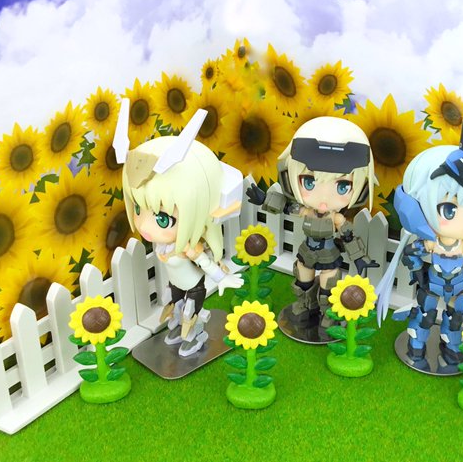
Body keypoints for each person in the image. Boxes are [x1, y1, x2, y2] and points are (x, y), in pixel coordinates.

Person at [376, 113, 463, 374]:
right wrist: (420, 259)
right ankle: (416, 346)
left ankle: (451, 349)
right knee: (424, 316)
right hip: (432, 286)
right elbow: (409, 256)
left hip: (459, 288)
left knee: (456, 320)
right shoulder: (429, 242)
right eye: (449, 210)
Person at [114, 101, 243, 356]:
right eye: (138, 209)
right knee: (173, 307)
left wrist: (222, 278)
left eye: (163, 219)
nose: (144, 226)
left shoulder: (188, 247)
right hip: (176, 285)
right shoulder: (164, 242)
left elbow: (205, 263)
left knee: (189, 314)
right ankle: (182, 331)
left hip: (194, 287)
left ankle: (196, 336)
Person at [246, 116, 378, 337]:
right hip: (307, 252)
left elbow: (348, 236)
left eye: (343, 186)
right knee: (302, 279)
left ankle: (328, 312)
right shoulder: (306, 211)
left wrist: (359, 257)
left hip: (329, 255)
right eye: (309, 182)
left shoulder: (336, 218)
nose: (323, 200)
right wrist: (264, 200)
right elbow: (285, 206)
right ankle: (306, 304)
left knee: (329, 285)